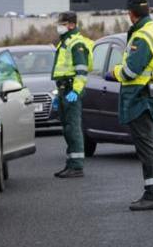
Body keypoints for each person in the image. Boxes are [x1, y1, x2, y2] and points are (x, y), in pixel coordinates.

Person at [105, 0, 153, 211]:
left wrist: (114, 72)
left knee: (147, 147)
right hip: (151, 96)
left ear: (131, 14)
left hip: (143, 98)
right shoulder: (151, 31)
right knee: (149, 146)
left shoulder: (142, 36)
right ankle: (152, 193)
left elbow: (130, 71)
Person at [51, 11, 93, 179]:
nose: (59, 26)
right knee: (67, 128)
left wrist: (76, 91)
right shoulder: (65, 42)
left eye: (62, 23)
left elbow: (81, 71)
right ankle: (70, 164)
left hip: (70, 89)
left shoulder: (76, 43)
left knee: (73, 127)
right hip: (64, 89)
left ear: (72, 25)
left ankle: (76, 166)